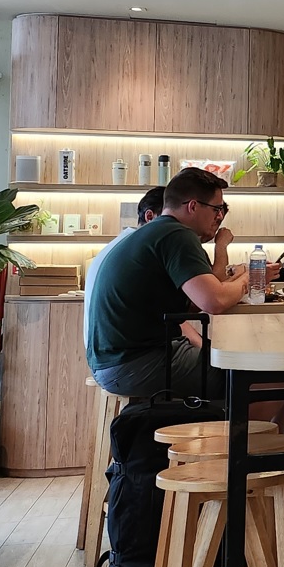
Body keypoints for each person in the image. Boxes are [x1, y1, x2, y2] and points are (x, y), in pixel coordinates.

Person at [86, 170, 248, 397]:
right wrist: (250, 277)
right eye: (216, 209)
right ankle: (251, 432)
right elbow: (214, 301)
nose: (219, 217)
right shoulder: (177, 235)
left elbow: (194, 303)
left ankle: (246, 430)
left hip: (115, 360)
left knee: (237, 362)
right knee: (252, 372)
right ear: (193, 206)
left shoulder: (154, 232)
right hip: (131, 364)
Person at [83, 187, 166, 350]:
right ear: (150, 216)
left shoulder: (125, 243)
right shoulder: (141, 250)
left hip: (105, 352)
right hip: (119, 357)